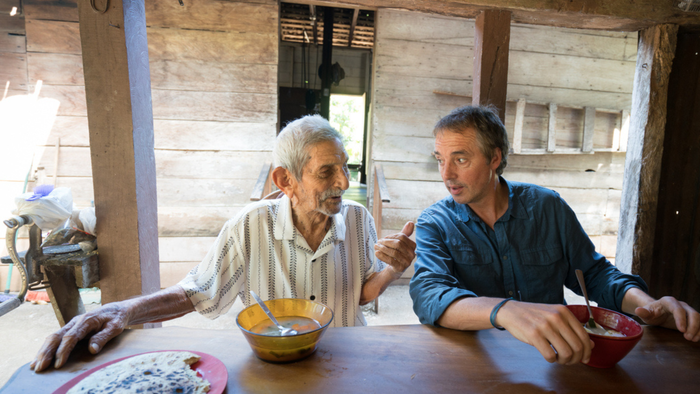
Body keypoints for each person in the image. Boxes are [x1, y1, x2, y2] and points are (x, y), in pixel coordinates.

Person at [32, 115, 416, 372]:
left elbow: (360, 295)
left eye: (345, 167)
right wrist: (122, 311)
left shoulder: (357, 219)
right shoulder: (250, 226)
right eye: (327, 172)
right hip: (273, 368)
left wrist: (393, 270)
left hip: (349, 361)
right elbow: (197, 292)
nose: (345, 183)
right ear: (285, 181)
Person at [409, 105, 700, 366]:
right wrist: (506, 312)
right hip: (473, 364)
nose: (446, 174)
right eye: (440, 160)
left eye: (459, 160)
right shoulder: (435, 223)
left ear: (494, 158)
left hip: (557, 361)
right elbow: (429, 295)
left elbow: (596, 275)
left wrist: (647, 306)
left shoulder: (547, 207)